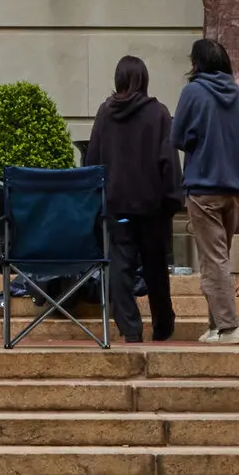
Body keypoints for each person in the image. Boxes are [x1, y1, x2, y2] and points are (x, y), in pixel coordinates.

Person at [86, 56, 180, 344]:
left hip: (116, 205)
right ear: (144, 79)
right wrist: (173, 199)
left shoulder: (105, 113)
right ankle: (163, 324)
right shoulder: (159, 113)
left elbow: (92, 160)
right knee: (155, 269)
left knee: (120, 268)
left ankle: (130, 328)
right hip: (152, 205)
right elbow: (169, 161)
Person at [173, 38, 239, 345]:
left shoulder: (192, 91)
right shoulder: (234, 92)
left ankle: (230, 327)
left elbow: (177, 136)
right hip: (235, 187)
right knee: (216, 258)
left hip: (204, 187)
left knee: (213, 259)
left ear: (198, 63)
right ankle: (215, 327)